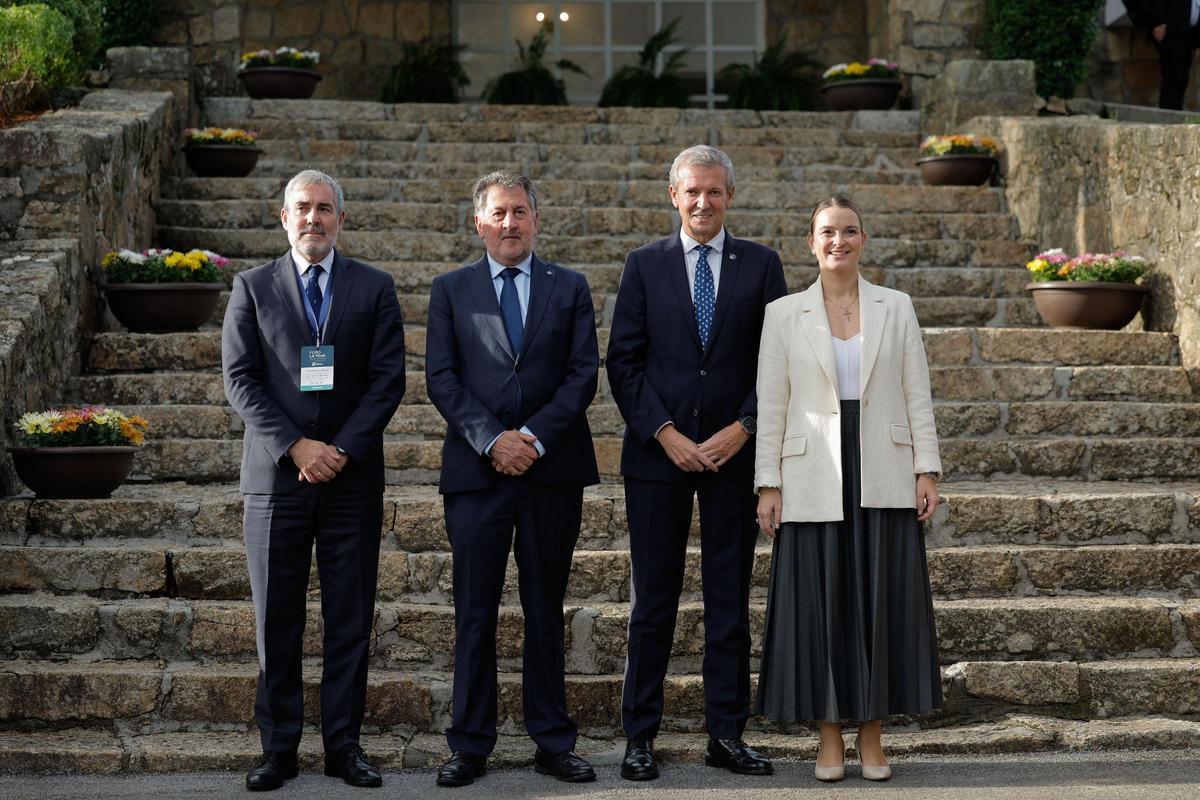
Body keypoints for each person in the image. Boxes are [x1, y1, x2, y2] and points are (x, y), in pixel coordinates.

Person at [222, 169, 407, 791]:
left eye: (325, 209)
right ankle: (278, 748)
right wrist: (296, 446)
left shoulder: (374, 287)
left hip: (350, 481)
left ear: (341, 219)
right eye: (303, 208)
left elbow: (388, 381)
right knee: (278, 618)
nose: (314, 219)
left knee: (349, 618)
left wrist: (342, 450)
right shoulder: (252, 287)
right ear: (283, 217)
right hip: (276, 483)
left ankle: (344, 747)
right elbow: (241, 379)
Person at [606, 145, 787, 781]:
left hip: (734, 459)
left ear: (728, 197)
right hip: (659, 460)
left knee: (728, 600)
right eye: (692, 193)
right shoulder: (643, 265)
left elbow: (779, 361)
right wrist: (665, 433)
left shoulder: (762, 265)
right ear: (674, 197)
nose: (703, 203)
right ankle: (640, 737)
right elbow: (622, 363)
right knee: (652, 601)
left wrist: (745, 427)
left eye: (714, 192)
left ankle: (726, 734)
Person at [753, 195, 943, 782]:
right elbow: (773, 402)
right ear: (810, 242)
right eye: (827, 232)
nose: (838, 241)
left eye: (849, 231)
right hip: (812, 475)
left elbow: (917, 390)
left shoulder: (897, 306)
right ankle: (829, 739)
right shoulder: (783, 314)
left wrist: (927, 468)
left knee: (879, 602)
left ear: (865, 239)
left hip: (883, 467)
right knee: (822, 606)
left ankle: (873, 738)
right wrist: (768, 484)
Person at [425, 170, 600, 787]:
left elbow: (583, 376)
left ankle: (552, 740)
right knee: (474, 611)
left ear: (536, 218)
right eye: (498, 213)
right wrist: (492, 439)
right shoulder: (451, 289)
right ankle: (469, 743)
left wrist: (533, 439)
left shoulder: (570, 287)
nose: (509, 224)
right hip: (477, 475)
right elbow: (441, 378)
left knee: (545, 608)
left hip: (551, 472)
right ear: (479, 222)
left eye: (520, 212)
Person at [1150, 0, 1200, 109]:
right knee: (1171, 76)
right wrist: (1159, 22)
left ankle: (1177, 112)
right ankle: (1168, 116)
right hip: (1173, 30)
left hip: (1190, 33)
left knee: (1183, 77)